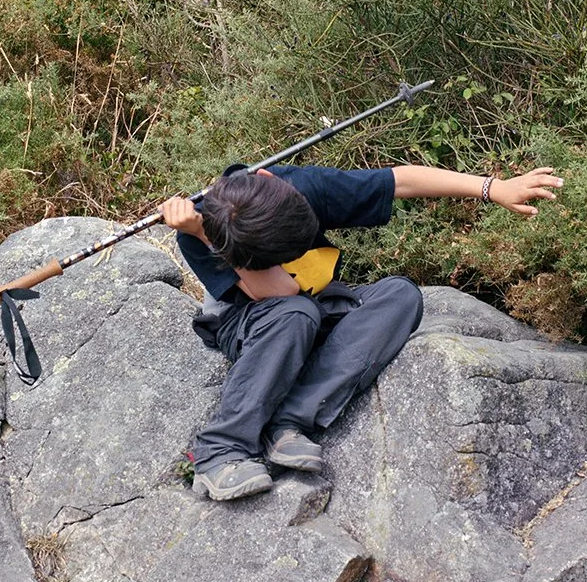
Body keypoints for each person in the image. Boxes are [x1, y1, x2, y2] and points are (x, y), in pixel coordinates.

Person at [160, 160, 563, 501]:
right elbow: (280, 291)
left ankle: (286, 423)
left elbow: (399, 180)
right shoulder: (202, 230)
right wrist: (206, 235)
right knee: (294, 312)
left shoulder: (292, 186)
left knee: (400, 295)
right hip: (254, 322)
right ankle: (220, 449)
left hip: (316, 304)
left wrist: (492, 188)